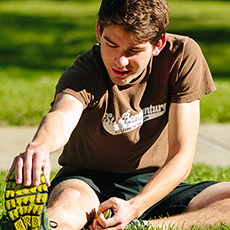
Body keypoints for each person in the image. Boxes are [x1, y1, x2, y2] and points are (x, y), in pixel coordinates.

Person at [5, 0, 230, 229]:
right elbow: (63, 114)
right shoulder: (85, 71)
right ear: (98, 31)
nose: (119, 61)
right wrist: (40, 146)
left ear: (158, 44)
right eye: (110, 44)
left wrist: (134, 208)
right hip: (89, 181)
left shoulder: (181, 56)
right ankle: (44, 226)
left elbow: (181, 155)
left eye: (133, 50)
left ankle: (142, 226)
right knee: (69, 202)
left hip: (155, 184)